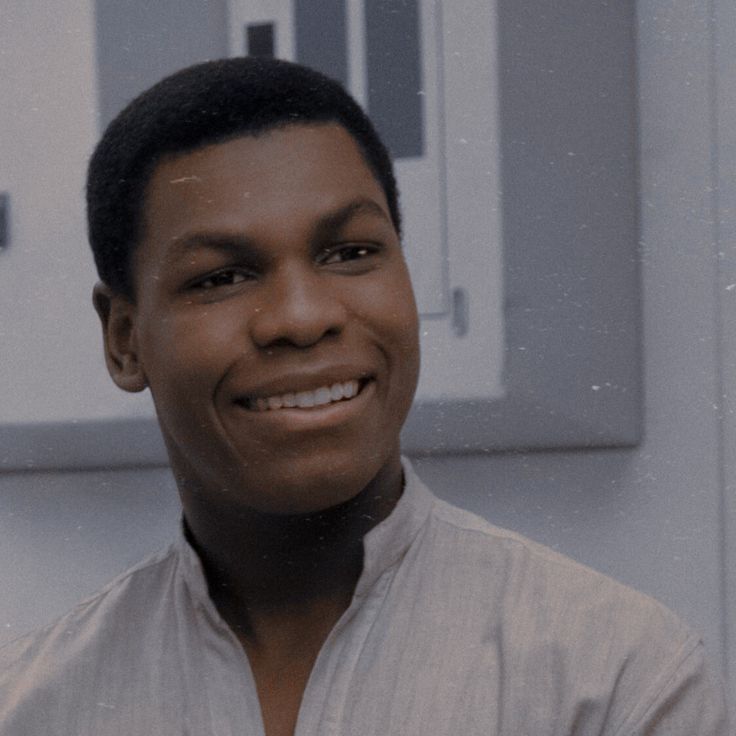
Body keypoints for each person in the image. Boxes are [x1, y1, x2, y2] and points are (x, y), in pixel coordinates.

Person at [0, 57, 729, 735]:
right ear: (125, 339)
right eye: (221, 276)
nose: (302, 316)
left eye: (350, 254)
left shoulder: (614, 682)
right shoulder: (37, 705)